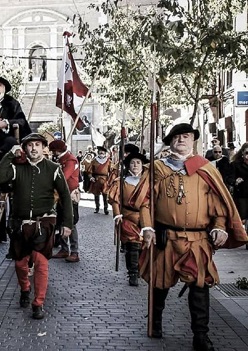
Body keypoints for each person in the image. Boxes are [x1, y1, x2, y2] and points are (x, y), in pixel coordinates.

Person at [131, 123, 247, 350]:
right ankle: (155, 322)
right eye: (177, 136)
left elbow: (219, 205)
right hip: (166, 238)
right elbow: (144, 202)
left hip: (197, 240)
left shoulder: (206, 169)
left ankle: (201, 336)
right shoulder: (156, 169)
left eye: (186, 136)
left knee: (200, 286)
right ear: (170, 141)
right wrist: (147, 228)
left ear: (193, 140)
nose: (181, 140)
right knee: (160, 284)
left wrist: (220, 227)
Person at [0, 133, 73, 320]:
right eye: (30, 145)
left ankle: (38, 303)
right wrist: (10, 155)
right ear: (25, 148)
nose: (34, 148)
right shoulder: (16, 167)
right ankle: (25, 289)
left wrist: (67, 223)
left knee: (41, 262)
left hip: (44, 223)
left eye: (37, 144)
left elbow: (65, 195)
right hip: (20, 224)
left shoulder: (53, 168)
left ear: (44, 148)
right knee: (20, 264)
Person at [107, 152, 148, 286]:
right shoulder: (121, 181)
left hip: (146, 218)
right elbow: (114, 199)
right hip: (128, 217)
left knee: (143, 246)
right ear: (128, 165)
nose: (135, 165)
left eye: (138, 163)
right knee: (133, 245)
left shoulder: (149, 182)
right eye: (132, 163)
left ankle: (141, 268)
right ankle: (133, 273)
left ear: (142, 165)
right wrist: (117, 214)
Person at [49, 140, 81, 263]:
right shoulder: (60, 159)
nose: (53, 153)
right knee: (60, 221)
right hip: (60, 195)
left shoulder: (70, 160)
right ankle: (64, 249)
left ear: (58, 150)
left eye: (53, 151)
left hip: (70, 194)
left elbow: (63, 176)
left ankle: (74, 251)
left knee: (70, 222)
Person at [87, 146, 111, 214]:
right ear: (98, 153)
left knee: (105, 195)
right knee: (96, 194)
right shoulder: (94, 160)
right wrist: (91, 177)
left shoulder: (108, 161)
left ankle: (106, 209)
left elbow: (111, 171)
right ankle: (97, 207)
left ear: (105, 153)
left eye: (103, 153)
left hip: (105, 179)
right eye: (100, 153)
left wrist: (110, 179)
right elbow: (89, 170)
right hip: (96, 179)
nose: (101, 154)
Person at [231, 143, 248, 236]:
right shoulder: (236, 165)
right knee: (243, 217)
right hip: (242, 194)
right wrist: (235, 181)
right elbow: (229, 178)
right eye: (247, 152)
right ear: (242, 153)